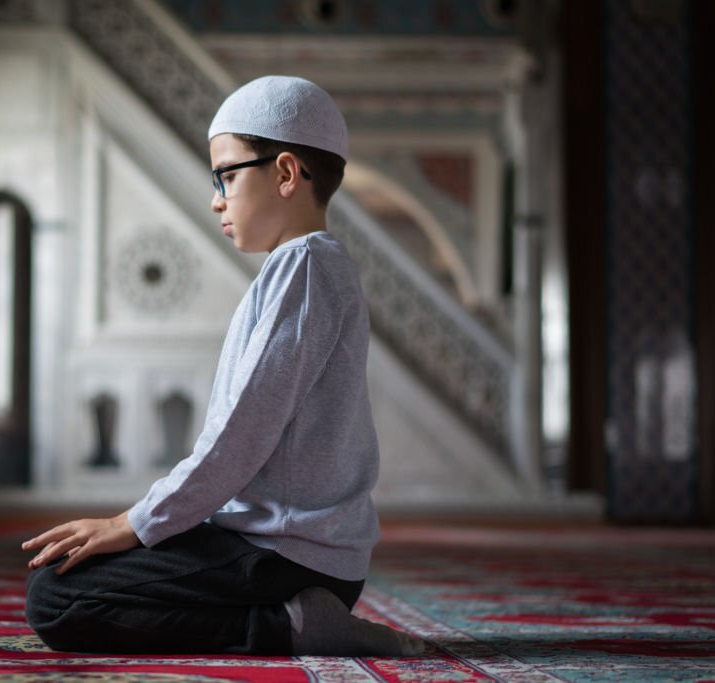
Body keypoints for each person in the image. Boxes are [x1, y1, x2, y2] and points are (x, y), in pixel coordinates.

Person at [23, 75, 424, 657]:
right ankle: (293, 618)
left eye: (228, 176)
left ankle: (287, 627)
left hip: (285, 553)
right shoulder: (304, 267)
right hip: (288, 550)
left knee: (55, 599)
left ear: (286, 173)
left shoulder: (305, 269)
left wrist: (134, 524)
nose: (216, 199)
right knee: (65, 584)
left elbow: (241, 434)